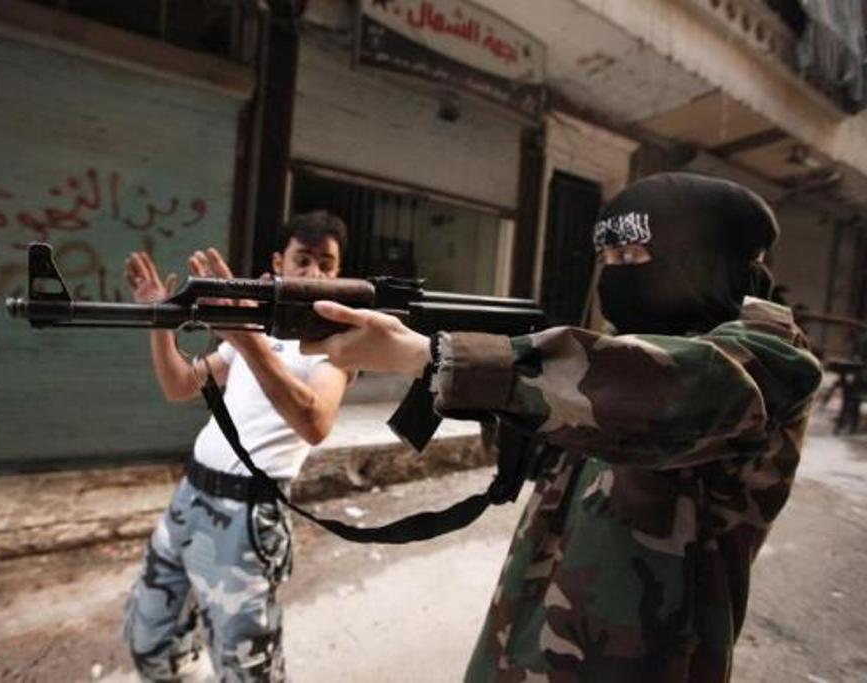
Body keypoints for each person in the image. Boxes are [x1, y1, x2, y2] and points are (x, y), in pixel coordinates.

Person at [302, 173, 822, 681]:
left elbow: (665, 391)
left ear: (700, 260)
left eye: (633, 256)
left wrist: (434, 357)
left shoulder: (768, 359)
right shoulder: (614, 353)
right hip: (527, 638)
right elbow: (557, 449)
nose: (614, 274)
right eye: (608, 259)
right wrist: (491, 395)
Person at [122, 211, 353, 682]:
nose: (314, 274)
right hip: (190, 500)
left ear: (339, 274)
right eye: (302, 260)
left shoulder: (334, 345)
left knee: (249, 672)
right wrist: (161, 322)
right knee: (151, 646)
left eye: (326, 265)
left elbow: (315, 422)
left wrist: (247, 339)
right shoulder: (252, 331)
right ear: (278, 263)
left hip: (246, 520)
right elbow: (179, 385)